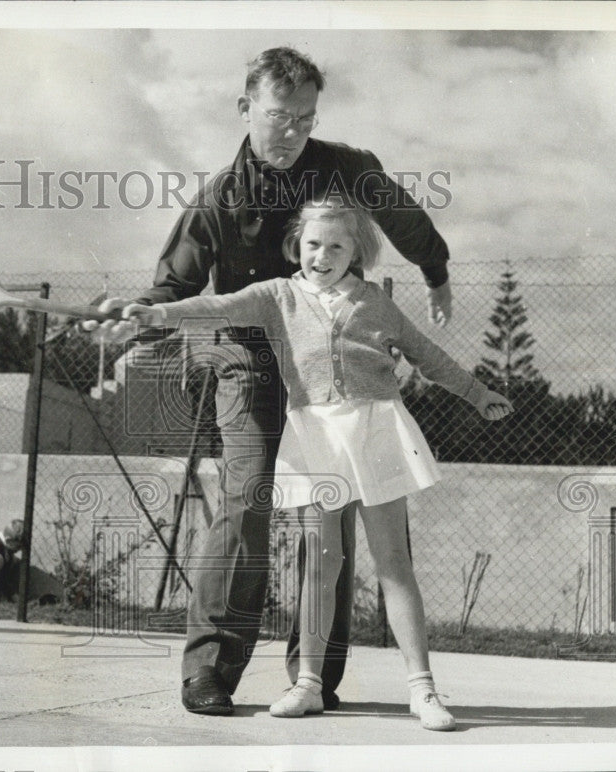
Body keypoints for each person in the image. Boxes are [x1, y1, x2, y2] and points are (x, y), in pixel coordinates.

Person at [89, 47, 455, 716]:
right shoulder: (216, 203)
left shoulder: (347, 169)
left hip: (329, 370)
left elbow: (404, 221)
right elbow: (174, 286)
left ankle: (316, 675)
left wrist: (436, 270)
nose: (292, 133)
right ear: (245, 107)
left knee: (329, 515)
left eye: (305, 119)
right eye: (279, 117)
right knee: (249, 497)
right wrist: (135, 326)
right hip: (252, 360)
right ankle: (211, 670)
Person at [123, 196, 513, 729]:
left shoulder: (375, 302)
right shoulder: (277, 296)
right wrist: (160, 313)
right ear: (296, 246)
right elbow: (219, 306)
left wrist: (476, 392)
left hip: (376, 433)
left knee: (393, 565)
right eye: (312, 244)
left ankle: (423, 691)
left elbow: (428, 355)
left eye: (336, 245)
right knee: (320, 565)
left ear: (357, 251)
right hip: (315, 440)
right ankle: (308, 683)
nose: (322, 255)